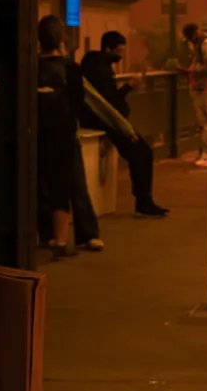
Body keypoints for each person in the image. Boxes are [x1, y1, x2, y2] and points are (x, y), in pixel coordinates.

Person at [80, 31, 169, 218]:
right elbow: (110, 104)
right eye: (118, 51)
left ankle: (144, 201)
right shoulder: (101, 69)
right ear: (108, 48)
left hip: (103, 119)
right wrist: (129, 87)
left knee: (141, 153)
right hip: (107, 121)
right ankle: (144, 202)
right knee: (142, 153)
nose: (120, 55)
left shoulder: (95, 65)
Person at [37, 15, 86, 259]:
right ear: (61, 39)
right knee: (61, 188)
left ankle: (43, 235)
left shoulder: (30, 66)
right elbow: (79, 103)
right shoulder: (70, 68)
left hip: (35, 135)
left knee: (38, 184)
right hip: (63, 134)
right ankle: (60, 241)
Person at [181, 22, 207, 167]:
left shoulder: (205, 45)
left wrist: (192, 71)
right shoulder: (201, 44)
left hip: (203, 88)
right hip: (202, 87)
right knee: (206, 122)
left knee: (206, 122)